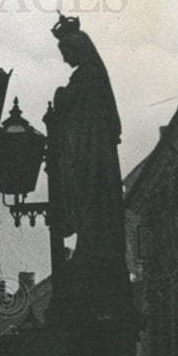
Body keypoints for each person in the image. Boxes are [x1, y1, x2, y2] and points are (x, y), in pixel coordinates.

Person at [47, 14, 127, 268]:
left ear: (77, 49)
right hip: (92, 151)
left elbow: (68, 105)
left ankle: (92, 247)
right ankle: (91, 245)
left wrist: (60, 95)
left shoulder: (87, 76)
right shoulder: (91, 74)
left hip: (89, 153)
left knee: (90, 197)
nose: (64, 58)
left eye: (66, 51)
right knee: (92, 199)